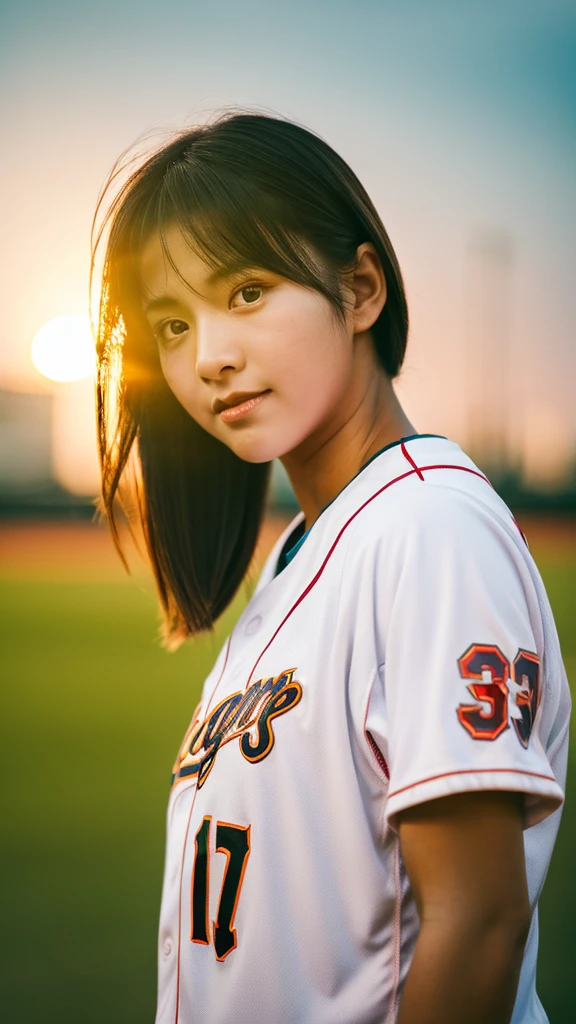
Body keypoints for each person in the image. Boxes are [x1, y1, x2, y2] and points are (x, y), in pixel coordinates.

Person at [92, 111, 570, 1024]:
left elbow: (480, 922)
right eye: (172, 324)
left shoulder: (428, 528)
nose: (211, 358)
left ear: (358, 290)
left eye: (245, 292)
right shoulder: (305, 549)